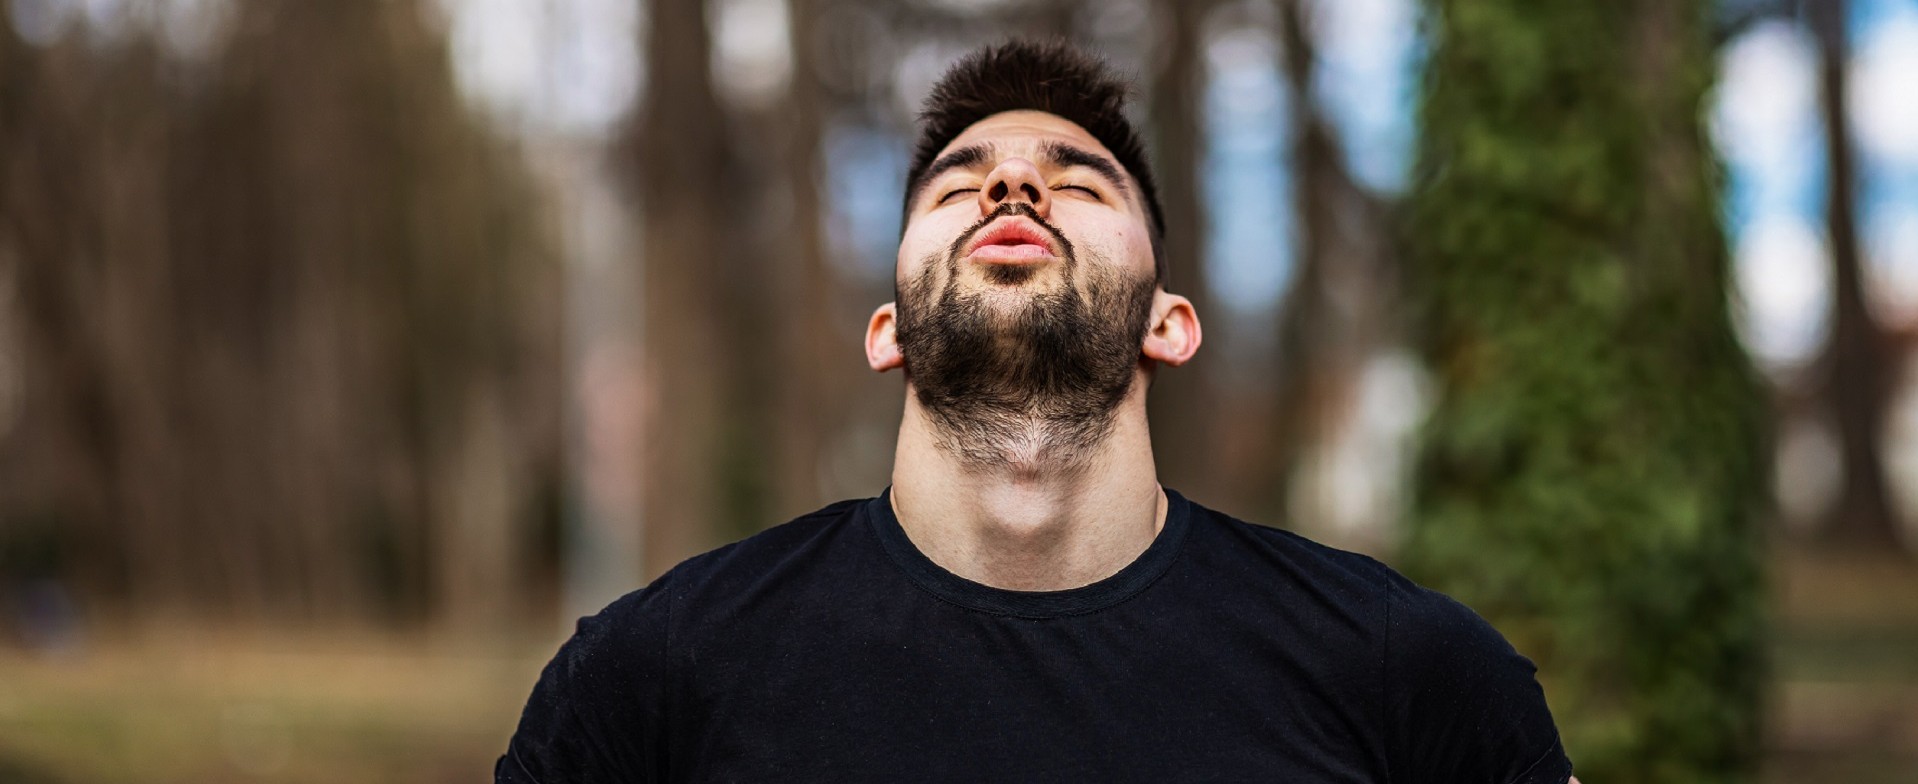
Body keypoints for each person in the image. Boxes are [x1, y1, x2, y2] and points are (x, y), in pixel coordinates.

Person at [499, 40, 1575, 783]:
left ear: (1171, 323)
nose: (1013, 182)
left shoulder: (1410, 677)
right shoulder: (654, 676)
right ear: (890, 332)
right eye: (959, 182)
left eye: (1082, 181)